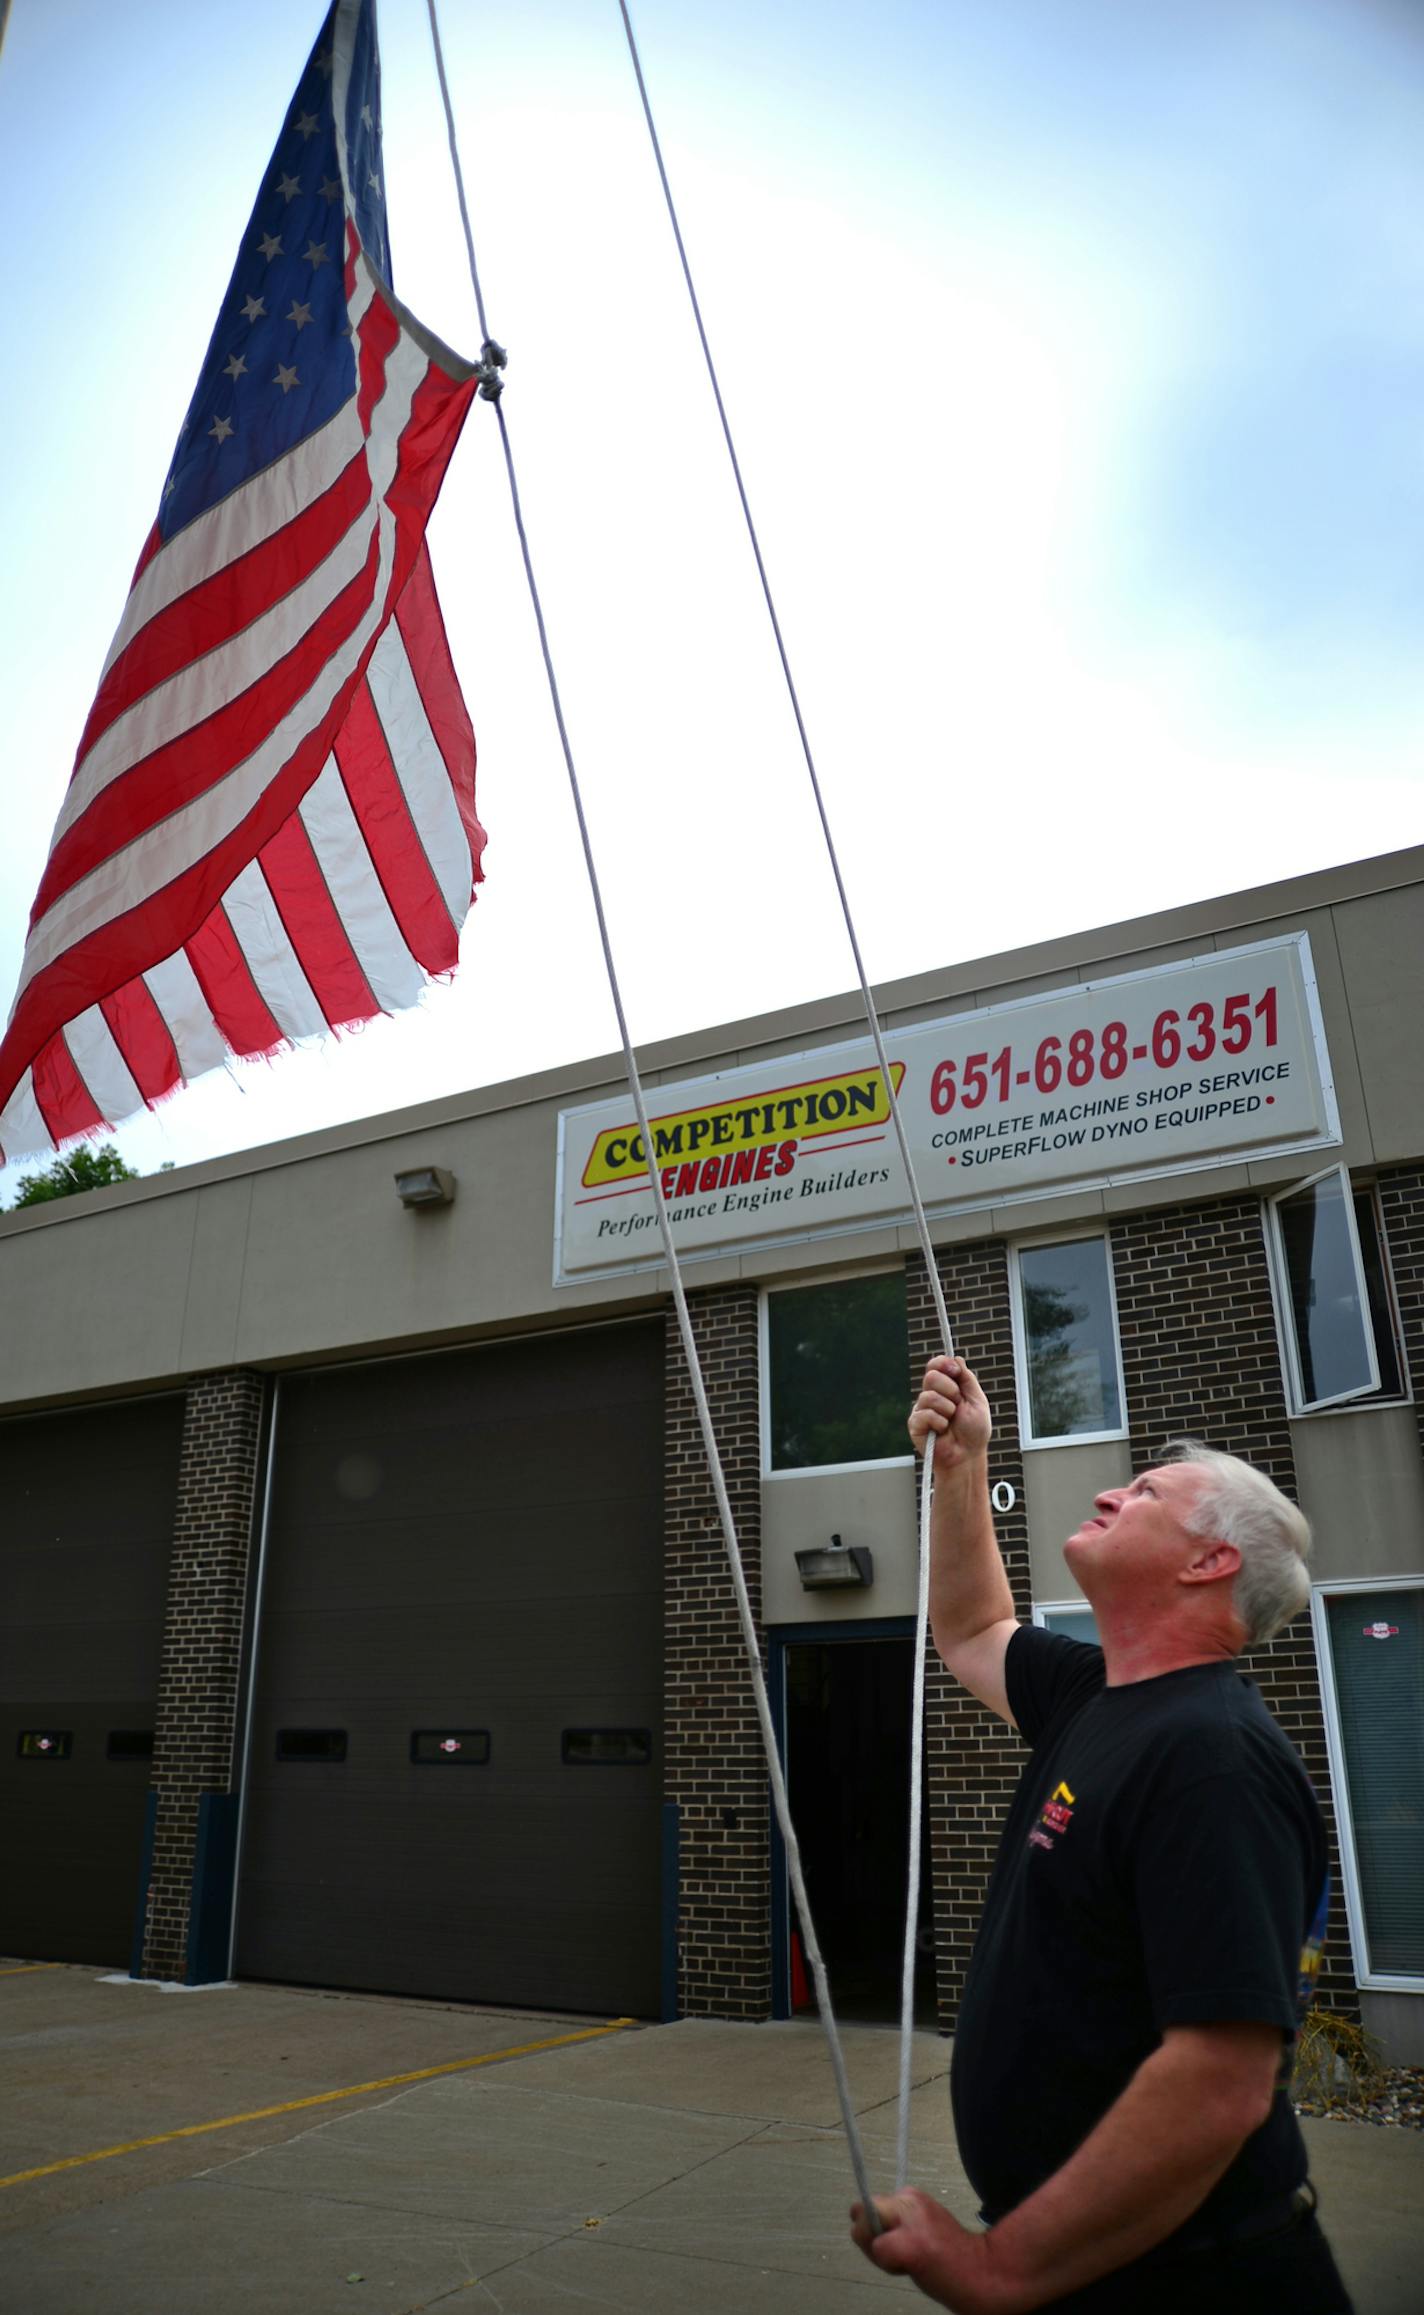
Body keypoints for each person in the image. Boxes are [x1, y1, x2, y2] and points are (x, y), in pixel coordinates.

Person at [850, 1354, 1353, 2314]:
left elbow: (1220, 2081)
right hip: (1108, 2266)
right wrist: (961, 1465)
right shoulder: (1099, 1696)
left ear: (1211, 1562)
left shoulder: (1212, 1755)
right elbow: (970, 1628)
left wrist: (1003, 2268)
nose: (1110, 1492)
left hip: (1191, 2279)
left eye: (1147, 1491)